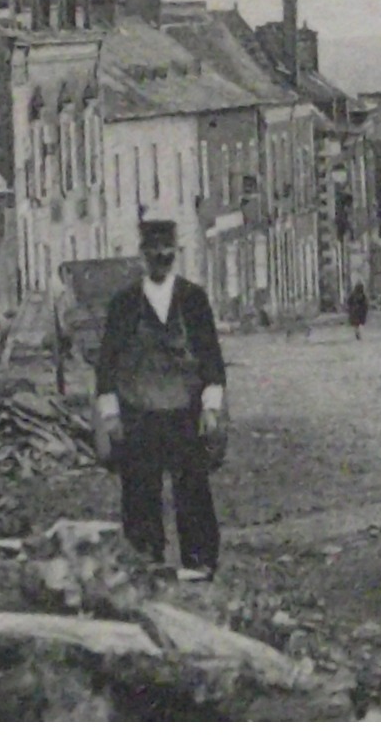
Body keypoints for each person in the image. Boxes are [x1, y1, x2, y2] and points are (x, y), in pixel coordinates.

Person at [94, 220, 227, 580]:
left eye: (167, 250)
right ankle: (145, 562)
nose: (160, 257)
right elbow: (106, 364)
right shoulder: (124, 304)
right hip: (139, 414)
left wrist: (212, 408)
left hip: (185, 411)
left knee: (193, 489)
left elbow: (211, 358)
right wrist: (110, 415)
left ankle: (199, 562)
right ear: (142, 254)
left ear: (175, 253)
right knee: (139, 491)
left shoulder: (193, 299)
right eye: (153, 250)